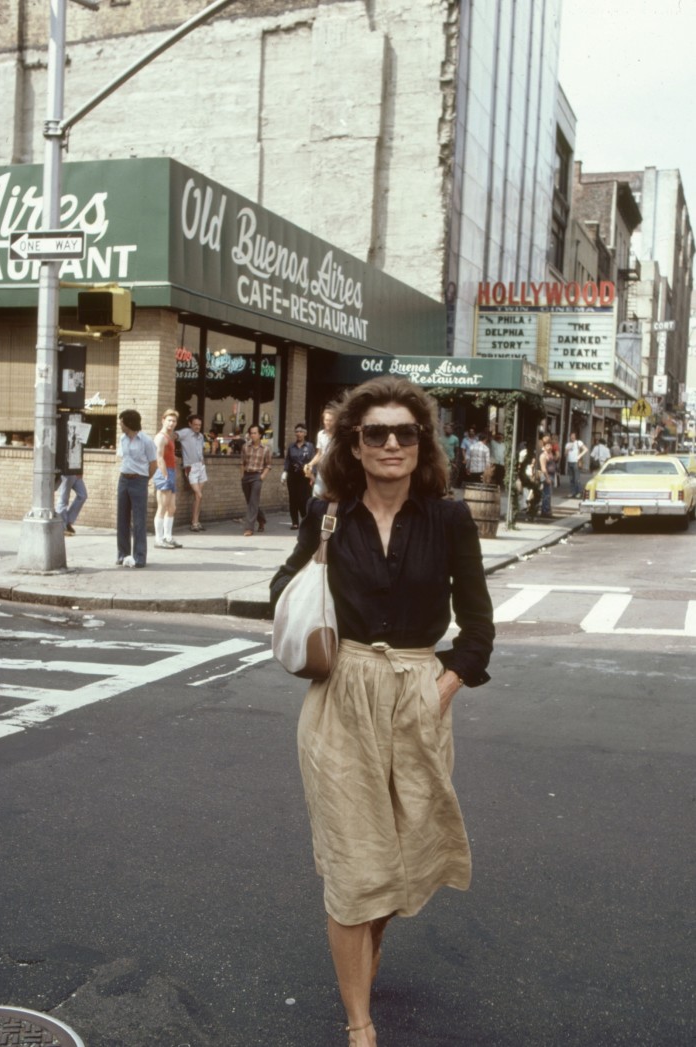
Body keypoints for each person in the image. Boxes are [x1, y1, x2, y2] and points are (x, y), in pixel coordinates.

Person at [270, 376, 495, 1046]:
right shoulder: (327, 513)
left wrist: (439, 688)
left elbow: (478, 629)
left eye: (405, 432)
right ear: (356, 446)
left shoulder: (450, 518)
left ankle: (366, 955)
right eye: (376, 433)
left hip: (418, 697)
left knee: (396, 863)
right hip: (341, 698)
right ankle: (360, 1024)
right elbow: (283, 586)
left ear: (420, 443)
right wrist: (316, 592)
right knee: (353, 865)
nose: (391, 443)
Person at [116, 409, 157, 568]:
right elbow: (123, 458)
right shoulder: (122, 439)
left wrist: (145, 479)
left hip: (139, 480)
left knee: (139, 520)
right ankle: (122, 555)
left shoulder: (146, 441)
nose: (120, 424)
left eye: (122, 421)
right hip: (124, 479)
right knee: (122, 518)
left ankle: (139, 557)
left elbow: (153, 464)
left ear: (129, 423)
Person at [152, 409, 182, 550]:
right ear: (163, 420)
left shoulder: (170, 437)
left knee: (172, 507)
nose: (171, 423)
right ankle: (158, 539)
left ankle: (167, 537)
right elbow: (159, 458)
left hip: (170, 471)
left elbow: (169, 456)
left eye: (174, 421)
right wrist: (164, 475)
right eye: (169, 420)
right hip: (164, 473)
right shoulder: (161, 437)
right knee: (162, 507)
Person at [176, 414, 209, 531]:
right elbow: (173, 436)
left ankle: (196, 522)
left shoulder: (200, 436)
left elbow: (200, 451)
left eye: (199, 425)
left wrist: (203, 463)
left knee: (198, 497)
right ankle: (194, 522)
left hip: (201, 466)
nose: (197, 427)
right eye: (195, 424)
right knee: (199, 494)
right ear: (190, 424)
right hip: (190, 467)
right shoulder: (185, 432)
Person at [281, 423, 316, 528]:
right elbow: (288, 460)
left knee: (304, 499)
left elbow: (313, 461)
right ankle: (295, 522)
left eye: (301, 431)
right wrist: (285, 472)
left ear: (305, 433)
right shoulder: (291, 446)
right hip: (293, 475)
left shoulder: (309, 446)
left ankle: (305, 519)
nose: (298, 434)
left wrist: (312, 475)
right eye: (297, 431)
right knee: (293, 498)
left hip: (305, 475)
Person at [241, 423, 272, 535]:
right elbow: (242, 463)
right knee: (250, 502)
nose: (252, 435)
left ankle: (249, 528)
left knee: (253, 502)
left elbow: (268, 465)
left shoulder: (266, 449)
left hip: (257, 477)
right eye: (251, 433)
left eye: (255, 433)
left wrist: (262, 476)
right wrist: (242, 476)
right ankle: (262, 519)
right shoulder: (245, 447)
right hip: (246, 476)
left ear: (260, 435)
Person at [305, 404, 336, 497]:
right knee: (317, 494)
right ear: (323, 420)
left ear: (334, 421)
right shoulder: (320, 434)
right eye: (326, 420)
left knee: (333, 497)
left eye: (330, 420)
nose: (328, 422)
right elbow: (320, 454)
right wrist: (310, 464)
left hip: (335, 471)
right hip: (322, 471)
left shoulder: (339, 435)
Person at [56, 472, 88, 536]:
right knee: (63, 499)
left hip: (75, 472)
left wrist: (80, 471)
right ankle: (61, 526)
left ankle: (68, 522)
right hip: (66, 474)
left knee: (83, 495)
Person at [564, 431, 588, 498]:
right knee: (571, 478)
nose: (572, 437)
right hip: (569, 462)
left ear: (575, 436)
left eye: (574, 435)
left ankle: (579, 492)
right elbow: (565, 454)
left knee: (577, 478)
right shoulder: (568, 444)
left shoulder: (578, 442)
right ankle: (572, 492)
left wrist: (579, 456)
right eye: (571, 435)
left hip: (576, 462)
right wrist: (567, 450)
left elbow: (586, 449)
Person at [538, 436, 556, 518]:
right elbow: (543, 468)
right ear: (544, 447)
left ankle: (547, 510)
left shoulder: (550, 454)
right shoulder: (543, 456)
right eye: (548, 445)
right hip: (546, 476)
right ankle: (545, 511)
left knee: (549, 494)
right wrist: (547, 478)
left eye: (550, 445)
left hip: (551, 475)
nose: (550, 447)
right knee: (546, 494)